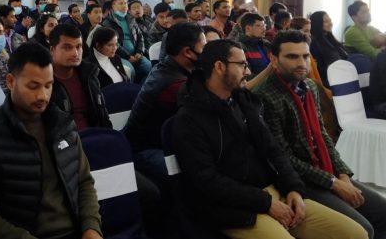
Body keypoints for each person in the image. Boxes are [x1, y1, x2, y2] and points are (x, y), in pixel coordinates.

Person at [172, 39, 368, 239]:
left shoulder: (243, 101)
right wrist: (266, 203)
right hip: (234, 209)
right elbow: (208, 181)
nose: (248, 71)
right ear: (219, 67)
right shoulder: (188, 119)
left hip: (273, 191)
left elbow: (275, 150)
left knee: (356, 234)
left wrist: (293, 188)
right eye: (242, 65)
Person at [0, 42, 102, 239]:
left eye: (48, 85)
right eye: (33, 86)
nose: (43, 96)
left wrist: (91, 228)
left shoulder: (63, 124)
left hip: (75, 232)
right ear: (10, 81)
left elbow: (84, 182)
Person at [257, 30, 386, 239]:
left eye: (305, 56)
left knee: (382, 210)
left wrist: (342, 173)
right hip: (298, 179)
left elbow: (322, 135)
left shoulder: (309, 87)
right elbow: (283, 157)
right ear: (274, 59)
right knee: (363, 229)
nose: (301, 63)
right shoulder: (265, 96)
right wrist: (333, 182)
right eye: (292, 56)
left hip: (324, 169)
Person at [123, 23, 204, 185]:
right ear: (188, 52)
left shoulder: (171, 67)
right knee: (196, 175)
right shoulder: (173, 84)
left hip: (161, 142)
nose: (207, 53)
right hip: (145, 149)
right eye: (204, 47)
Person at [48, 24, 112, 130]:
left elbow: (103, 116)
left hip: (96, 135)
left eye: (78, 47)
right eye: (67, 47)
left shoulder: (89, 75)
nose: (75, 53)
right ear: (52, 50)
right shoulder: (45, 82)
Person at [102, 0, 152, 83]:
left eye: (125, 3)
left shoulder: (131, 19)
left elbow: (140, 37)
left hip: (135, 54)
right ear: (113, 6)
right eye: (120, 3)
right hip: (119, 56)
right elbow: (114, 44)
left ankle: (141, 89)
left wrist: (139, 52)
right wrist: (128, 56)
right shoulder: (108, 22)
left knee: (149, 67)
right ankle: (130, 90)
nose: (124, 6)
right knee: (130, 71)